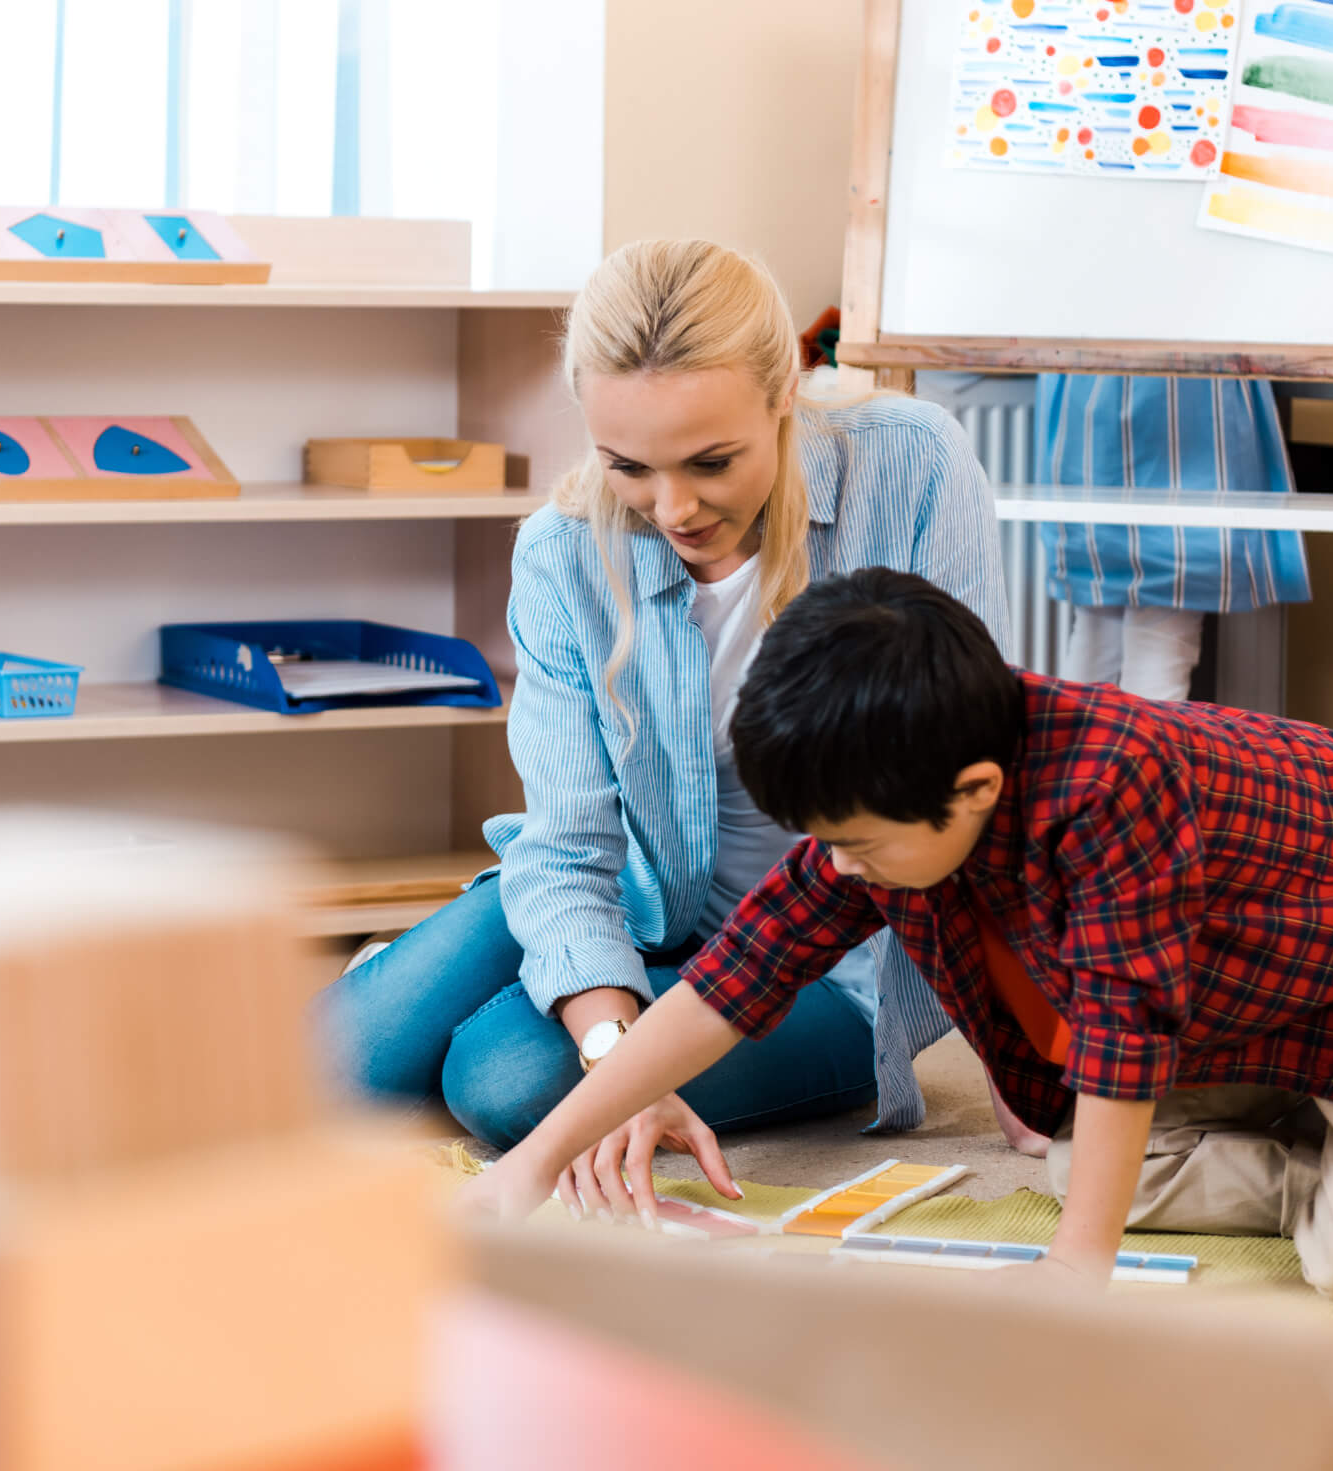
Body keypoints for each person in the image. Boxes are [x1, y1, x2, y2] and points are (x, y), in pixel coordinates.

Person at [459, 568, 1333, 1308]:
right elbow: (736, 979)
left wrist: (1079, 1271)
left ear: (975, 789)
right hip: (1254, 984)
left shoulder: (1110, 781)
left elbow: (1130, 1026)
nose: (843, 868)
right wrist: (531, 1165)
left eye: (862, 846)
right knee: (1070, 1158)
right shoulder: (895, 790)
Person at [323, 240, 1035, 1209]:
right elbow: (570, 841)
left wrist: (1016, 1046)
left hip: (829, 958)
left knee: (501, 1078)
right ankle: (541, 965)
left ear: (786, 388)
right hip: (639, 896)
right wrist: (623, 1050)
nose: (673, 508)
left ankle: (529, 985)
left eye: (712, 461)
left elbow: (972, 763)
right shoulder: (562, 549)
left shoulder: (912, 467)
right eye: (629, 466)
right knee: (330, 1068)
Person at [1038, 374, 1311, 702]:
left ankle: (1070, 752)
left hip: (1092, 410)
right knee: (1159, 630)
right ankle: (1136, 753)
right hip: (1181, 408)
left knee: (1097, 627)